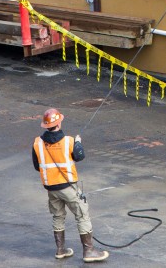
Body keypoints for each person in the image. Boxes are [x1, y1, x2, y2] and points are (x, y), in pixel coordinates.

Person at [31, 108, 109, 263]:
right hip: (68, 187)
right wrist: (78, 142)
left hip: (51, 188)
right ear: (59, 123)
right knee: (82, 214)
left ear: (46, 126)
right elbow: (80, 156)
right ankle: (89, 251)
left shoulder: (37, 143)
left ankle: (60, 250)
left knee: (58, 216)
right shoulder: (69, 141)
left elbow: (36, 166)